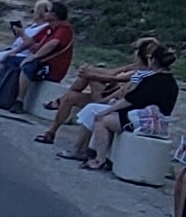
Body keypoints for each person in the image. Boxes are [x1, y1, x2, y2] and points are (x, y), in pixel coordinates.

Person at [36, 39, 172, 152]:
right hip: (112, 97)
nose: (134, 52)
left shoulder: (146, 73)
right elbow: (113, 72)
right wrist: (91, 72)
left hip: (119, 102)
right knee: (71, 96)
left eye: (136, 49)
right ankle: (52, 131)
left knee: (91, 83)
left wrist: (91, 74)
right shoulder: (136, 67)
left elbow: (116, 80)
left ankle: (80, 147)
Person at [79, 42, 179, 171]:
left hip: (144, 120)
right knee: (111, 117)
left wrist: (106, 110)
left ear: (153, 60)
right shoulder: (172, 83)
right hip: (159, 121)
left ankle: (100, 159)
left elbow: (130, 99)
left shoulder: (152, 79)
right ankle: (103, 156)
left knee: (102, 120)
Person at [0, 1, 73, 112]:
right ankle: (3, 89)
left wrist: (34, 56)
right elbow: (31, 42)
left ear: (54, 15)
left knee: (27, 67)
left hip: (51, 67)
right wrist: (15, 52)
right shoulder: (49, 28)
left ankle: (19, 101)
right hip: (42, 61)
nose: (45, 14)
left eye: (48, 12)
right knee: (9, 60)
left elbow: (53, 44)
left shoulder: (65, 29)